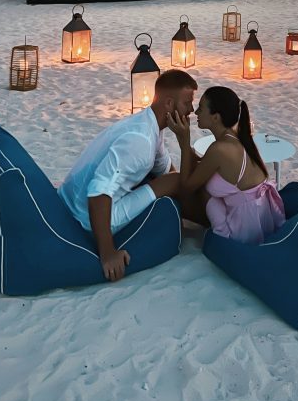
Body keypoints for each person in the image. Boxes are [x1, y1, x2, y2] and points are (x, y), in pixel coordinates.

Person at [58, 69, 198, 281]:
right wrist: (108, 253)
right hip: (86, 216)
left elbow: (166, 169)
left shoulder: (149, 125)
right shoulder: (139, 141)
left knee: (173, 179)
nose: (192, 110)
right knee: (175, 181)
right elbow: (98, 193)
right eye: (187, 103)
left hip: (74, 200)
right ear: (168, 104)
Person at [167, 86, 285, 244]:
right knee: (201, 183)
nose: (196, 113)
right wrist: (185, 142)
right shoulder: (239, 139)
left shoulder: (219, 149)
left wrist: (184, 139)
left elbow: (187, 187)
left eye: (201, 108)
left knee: (191, 191)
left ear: (215, 117)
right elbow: (203, 164)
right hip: (258, 221)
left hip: (242, 233)